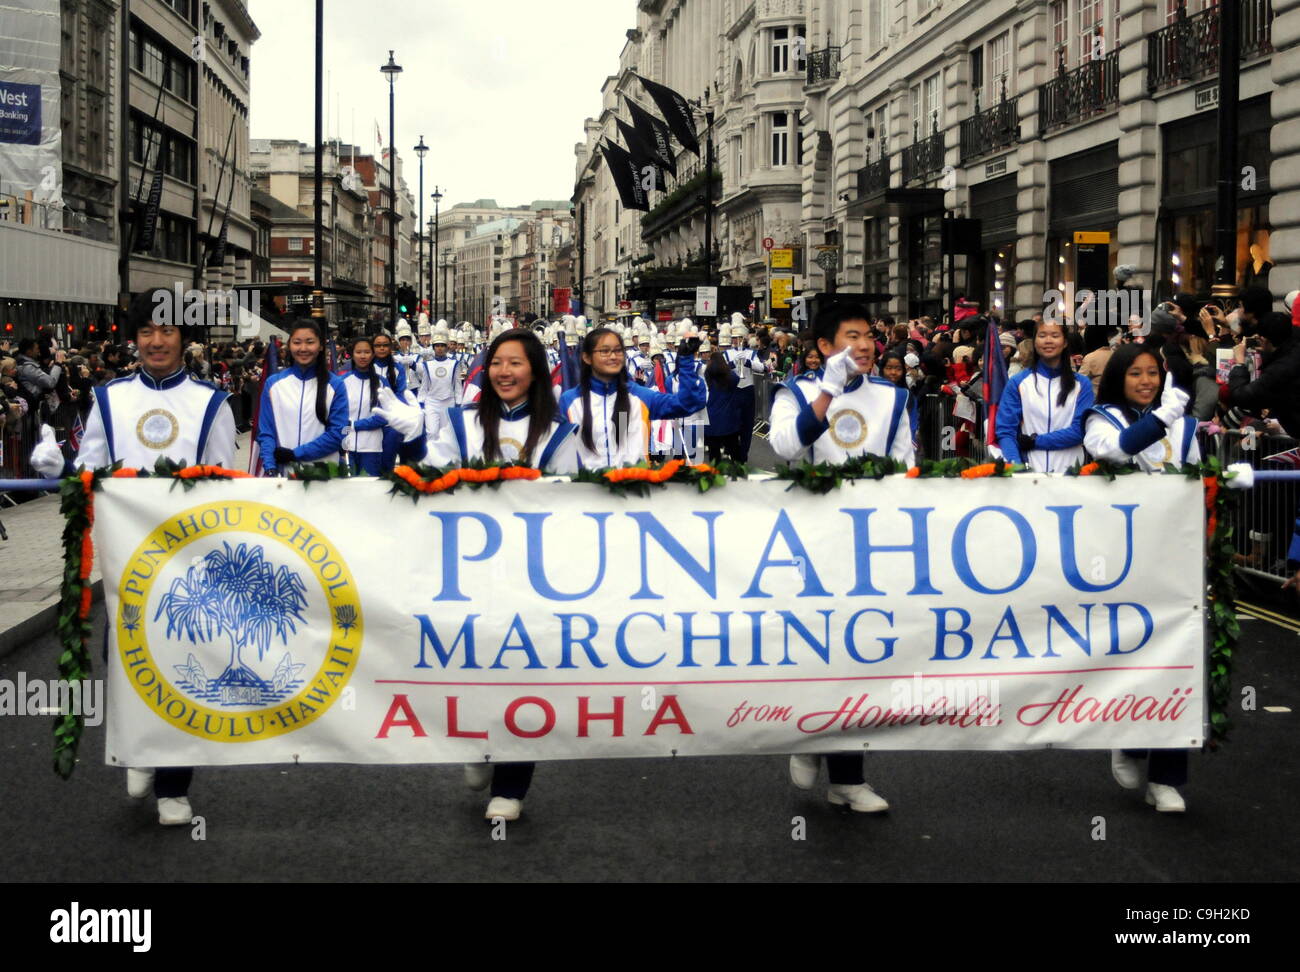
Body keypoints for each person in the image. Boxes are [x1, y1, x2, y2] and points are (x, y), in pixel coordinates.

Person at [30, 292, 237, 827]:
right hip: (128, 560)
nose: (156, 341)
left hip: (191, 562)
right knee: (122, 659)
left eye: (167, 331)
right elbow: (89, 467)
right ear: (135, 339)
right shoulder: (108, 397)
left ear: (184, 338)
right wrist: (60, 466)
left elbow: (224, 484)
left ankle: (174, 784)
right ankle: (141, 748)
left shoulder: (212, 401)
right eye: (146, 331)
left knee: (187, 665)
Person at [424, 328, 578, 822]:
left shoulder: (558, 430)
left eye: (515, 363)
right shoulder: (461, 421)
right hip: (468, 572)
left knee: (522, 674)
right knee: (471, 665)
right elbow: (432, 477)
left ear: (535, 371)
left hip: (532, 577)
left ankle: (512, 785)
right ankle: (479, 742)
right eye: (496, 363)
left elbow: (573, 502)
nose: (504, 372)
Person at [768, 302, 915, 814]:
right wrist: (827, 390)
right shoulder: (797, 392)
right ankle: (809, 736)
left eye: (870, 335)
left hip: (872, 545)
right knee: (817, 653)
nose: (867, 344)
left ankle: (848, 778)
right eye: (852, 336)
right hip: (811, 542)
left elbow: (905, 465)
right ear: (825, 347)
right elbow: (786, 448)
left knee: (860, 656)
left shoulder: (894, 396)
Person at [1082, 344, 1198, 812]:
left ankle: (1168, 777)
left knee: (1178, 658)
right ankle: (1128, 738)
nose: (1146, 381)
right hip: (1122, 558)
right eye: (1135, 373)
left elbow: (1193, 477)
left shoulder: (1187, 423)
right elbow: (1116, 451)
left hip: (1176, 555)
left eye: (1154, 373)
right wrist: (1163, 417)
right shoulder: (1102, 417)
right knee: (1132, 653)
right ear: (1118, 378)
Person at [558, 327, 706, 468]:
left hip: (634, 489)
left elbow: (686, 404)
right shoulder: (569, 401)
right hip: (585, 491)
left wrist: (686, 360)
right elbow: (560, 453)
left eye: (618, 351)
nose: (613, 356)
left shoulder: (640, 396)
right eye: (605, 351)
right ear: (587, 357)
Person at [995, 319, 1094, 472]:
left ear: (1065, 342)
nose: (1048, 341)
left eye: (1055, 335)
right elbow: (1006, 431)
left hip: (1072, 476)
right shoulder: (1018, 383)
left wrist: (1035, 441)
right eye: (1042, 336)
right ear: (1034, 342)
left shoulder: (1082, 384)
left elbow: (1079, 431)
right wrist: (1017, 468)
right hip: (1029, 477)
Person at [256, 319, 348, 475]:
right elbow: (266, 431)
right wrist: (270, 466)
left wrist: (295, 454)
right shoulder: (273, 384)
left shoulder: (335, 385)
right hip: (284, 477)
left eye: (310, 342)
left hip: (325, 476)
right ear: (289, 345)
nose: (303, 348)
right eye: (297, 342)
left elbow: (337, 434)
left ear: (320, 347)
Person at [340, 336, 389, 475]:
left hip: (371, 447)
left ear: (373, 354)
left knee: (369, 491)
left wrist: (354, 424)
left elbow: (384, 417)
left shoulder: (382, 382)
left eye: (367, 352)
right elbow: (335, 415)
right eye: (358, 352)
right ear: (352, 354)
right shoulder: (342, 381)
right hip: (347, 445)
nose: (363, 356)